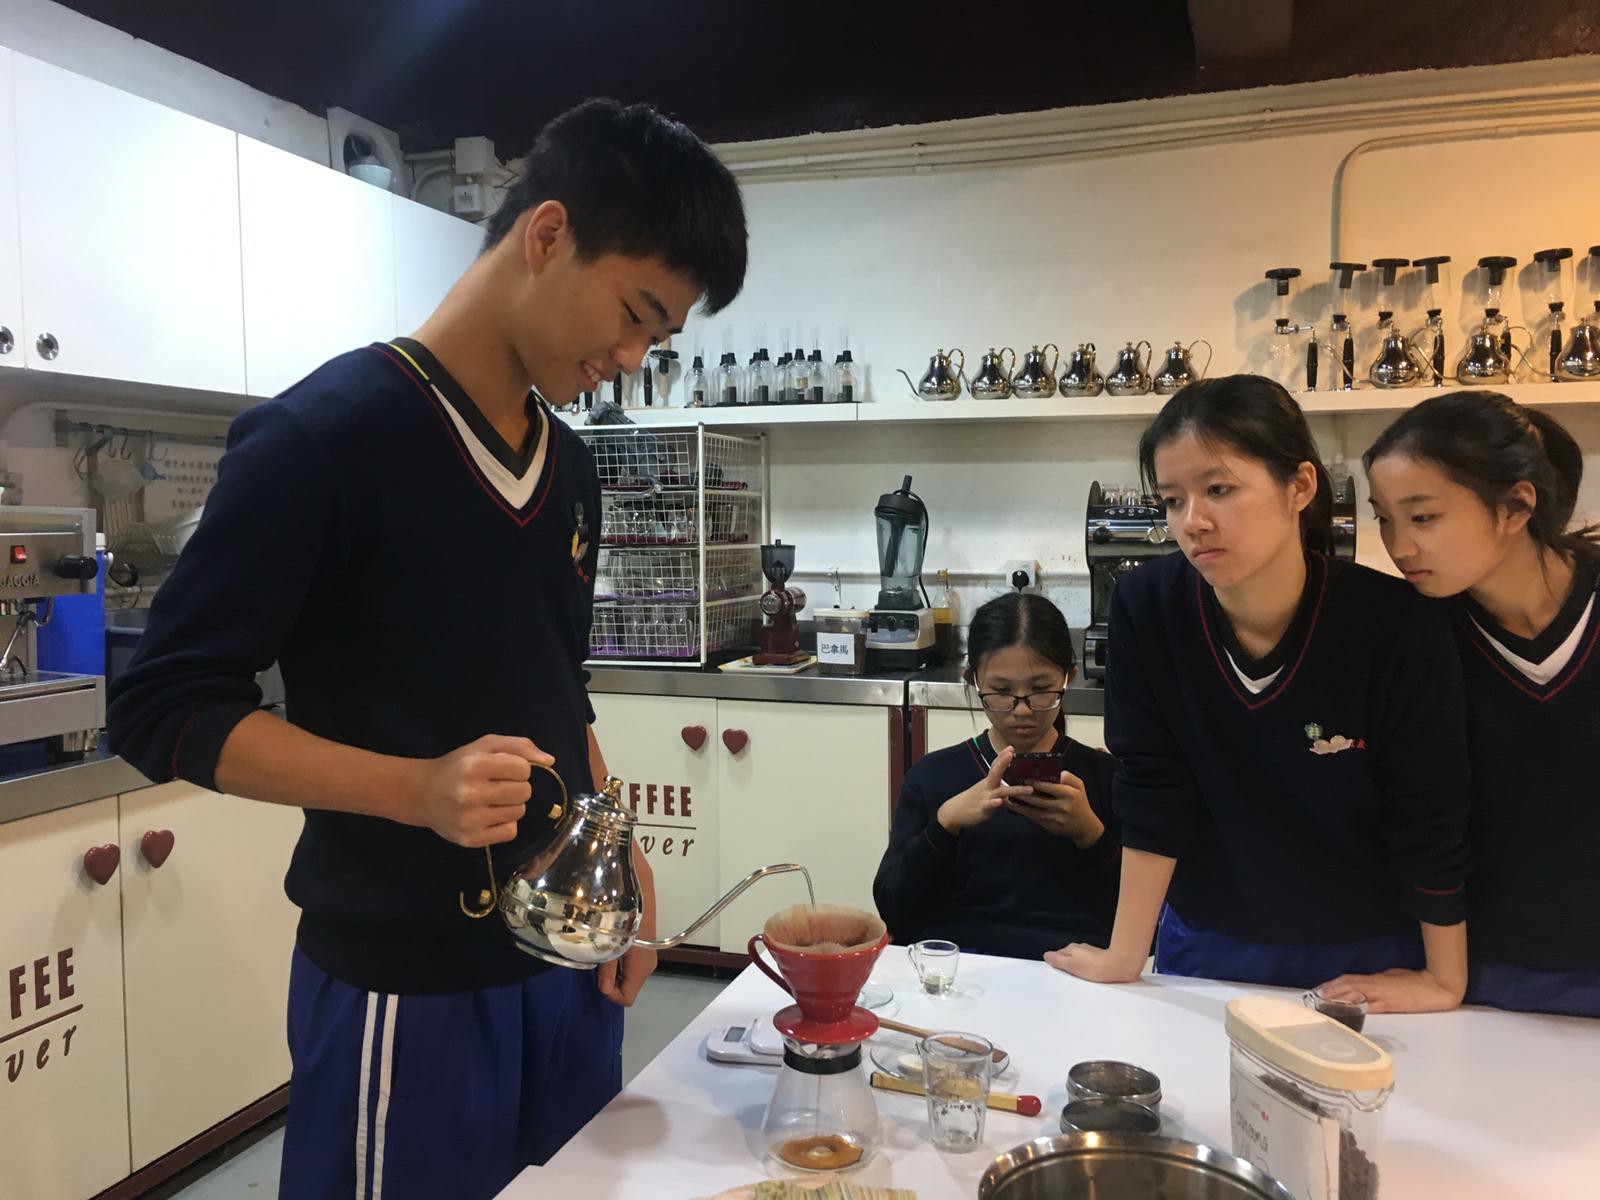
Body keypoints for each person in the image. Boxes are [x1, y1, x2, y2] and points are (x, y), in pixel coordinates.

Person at [106, 99, 748, 1199]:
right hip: (405, 991)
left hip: (568, 967)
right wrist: (414, 790)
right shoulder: (322, 438)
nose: (631, 357)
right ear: (548, 234)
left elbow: (557, 687)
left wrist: (621, 850)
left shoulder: (571, 470)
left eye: (659, 339)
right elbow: (162, 706)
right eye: (635, 314)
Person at [1047, 375, 1472, 1013]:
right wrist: (1123, 955)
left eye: (1219, 489)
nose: (1193, 522)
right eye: (1172, 500)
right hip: (1207, 939)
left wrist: (1444, 979)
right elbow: (1154, 786)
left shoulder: (1393, 623)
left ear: (1299, 486)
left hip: (1364, 951)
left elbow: (1430, 807)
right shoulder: (1148, 608)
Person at [1364, 391, 1600, 1018]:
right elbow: (1426, 815)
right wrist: (1444, 978)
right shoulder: (1417, 634)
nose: (1399, 546)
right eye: (1383, 518)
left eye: (1423, 517)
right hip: (1482, 971)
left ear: (1516, 505)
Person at [873, 593, 1120, 960]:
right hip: (957, 969)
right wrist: (944, 825)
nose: (1022, 710)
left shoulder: (1105, 778)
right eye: (1002, 692)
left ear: (1068, 677)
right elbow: (895, 912)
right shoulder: (933, 778)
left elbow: (1141, 924)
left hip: (1071, 972)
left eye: (1041, 690)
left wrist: (1091, 835)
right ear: (972, 681)